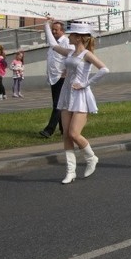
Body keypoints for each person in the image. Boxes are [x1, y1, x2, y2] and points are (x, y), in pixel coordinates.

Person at [44, 20, 109, 183]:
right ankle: (70, 171)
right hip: (67, 94)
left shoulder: (86, 54)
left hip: (80, 96)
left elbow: (104, 69)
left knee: (74, 133)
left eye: (72, 34)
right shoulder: (70, 52)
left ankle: (91, 157)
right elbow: (53, 44)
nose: (69, 36)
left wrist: (85, 83)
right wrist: (46, 25)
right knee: (66, 135)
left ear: (79, 37)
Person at [40, 21, 70, 137]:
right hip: (54, 77)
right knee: (58, 104)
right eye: (52, 29)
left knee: (58, 104)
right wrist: (46, 24)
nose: (54, 32)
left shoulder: (66, 42)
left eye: (56, 30)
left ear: (62, 30)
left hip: (62, 77)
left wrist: (66, 71)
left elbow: (71, 57)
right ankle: (64, 129)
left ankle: (49, 130)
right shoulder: (53, 43)